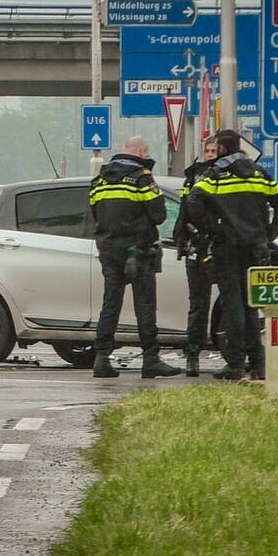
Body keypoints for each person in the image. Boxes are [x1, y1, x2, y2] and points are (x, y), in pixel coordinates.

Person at [189, 129, 278, 380]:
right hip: (256, 248)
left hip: (227, 247)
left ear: (222, 148)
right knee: (252, 307)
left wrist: (212, 229)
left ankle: (235, 364)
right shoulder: (260, 173)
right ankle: (258, 364)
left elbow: (193, 201)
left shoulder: (217, 174)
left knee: (232, 304)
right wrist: (269, 234)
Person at [89, 135, 182, 379]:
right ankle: (150, 360)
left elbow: (95, 214)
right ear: (142, 152)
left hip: (108, 250)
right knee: (145, 305)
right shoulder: (142, 178)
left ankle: (101, 359)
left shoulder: (99, 181)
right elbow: (159, 215)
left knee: (111, 303)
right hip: (138, 250)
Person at [173, 136, 219, 377]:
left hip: (222, 245)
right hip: (197, 247)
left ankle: (237, 357)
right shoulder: (192, 176)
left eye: (214, 150)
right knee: (198, 304)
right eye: (208, 150)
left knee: (234, 303)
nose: (210, 154)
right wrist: (181, 235)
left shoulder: (226, 174)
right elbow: (184, 208)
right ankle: (193, 354)